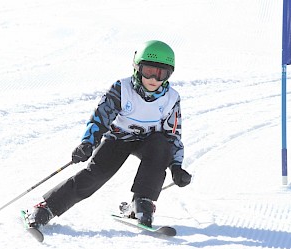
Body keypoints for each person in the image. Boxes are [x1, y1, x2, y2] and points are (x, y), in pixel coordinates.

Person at [25, 40, 192, 228]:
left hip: (149, 141)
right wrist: (88, 142)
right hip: (118, 139)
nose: (154, 79)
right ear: (138, 68)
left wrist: (176, 166)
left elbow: (173, 135)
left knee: (161, 145)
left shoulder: (171, 98)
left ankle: (142, 202)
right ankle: (46, 207)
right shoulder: (122, 89)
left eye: (161, 74)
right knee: (95, 175)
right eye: (148, 72)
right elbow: (100, 118)